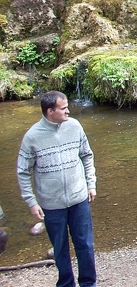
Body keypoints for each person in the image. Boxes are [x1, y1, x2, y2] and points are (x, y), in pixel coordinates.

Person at [17, 91, 97, 287]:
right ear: (50, 111)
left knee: (85, 245)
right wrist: (31, 201)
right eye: (63, 108)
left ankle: (88, 283)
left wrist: (91, 183)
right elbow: (22, 171)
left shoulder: (75, 126)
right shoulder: (32, 137)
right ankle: (66, 284)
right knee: (60, 249)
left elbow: (87, 155)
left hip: (79, 199)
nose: (68, 111)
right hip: (51, 205)